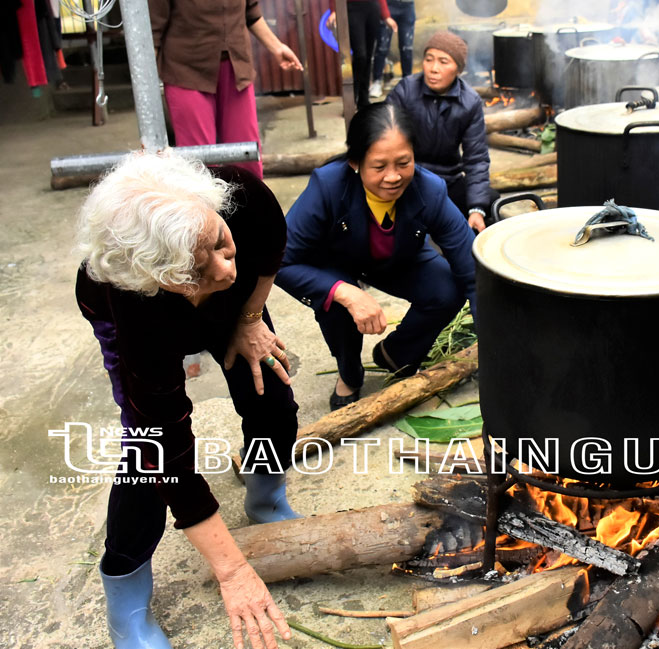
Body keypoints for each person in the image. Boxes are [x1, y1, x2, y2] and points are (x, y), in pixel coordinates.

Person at [75, 152, 301, 649]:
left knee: (272, 395)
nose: (223, 269)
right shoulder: (134, 300)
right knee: (148, 451)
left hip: (231, 311)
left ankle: (266, 498)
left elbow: (267, 251)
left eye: (221, 244)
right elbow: (168, 449)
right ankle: (126, 603)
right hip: (147, 310)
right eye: (200, 269)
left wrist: (249, 318)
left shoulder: (238, 194)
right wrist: (231, 570)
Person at [275, 102, 476, 410]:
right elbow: (280, 260)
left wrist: (493, 333)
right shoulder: (328, 186)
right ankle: (349, 373)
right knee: (337, 308)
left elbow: (471, 269)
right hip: (336, 263)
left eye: (403, 163)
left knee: (449, 289)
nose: (393, 177)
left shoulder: (431, 190)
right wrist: (345, 292)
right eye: (379, 166)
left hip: (398, 257)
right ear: (356, 162)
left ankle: (396, 353)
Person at [150, 0, 303, 179]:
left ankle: (249, 206)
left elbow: (250, 12)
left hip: (236, 67)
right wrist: (147, 89)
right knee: (199, 164)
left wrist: (277, 47)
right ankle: (202, 207)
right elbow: (151, 32)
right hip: (186, 72)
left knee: (247, 158)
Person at [386, 31, 494, 232]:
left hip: (446, 181)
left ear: (458, 70)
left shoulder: (469, 102)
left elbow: (476, 157)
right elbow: (383, 138)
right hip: (407, 178)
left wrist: (477, 208)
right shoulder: (406, 91)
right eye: (429, 60)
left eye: (444, 62)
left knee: (489, 204)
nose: (434, 69)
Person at [326, 0, 398, 110]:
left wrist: (386, 15)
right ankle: (351, 98)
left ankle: (363, 100)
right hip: (352, 8)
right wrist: (334, 10)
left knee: (368, 56)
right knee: (361, 55)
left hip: (372, 8)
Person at [369, 0, 417, 98]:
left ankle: (408, 83)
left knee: (407, 48)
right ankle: (377, 82)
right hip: (388, 5)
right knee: (382, 46)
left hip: (407, 5)